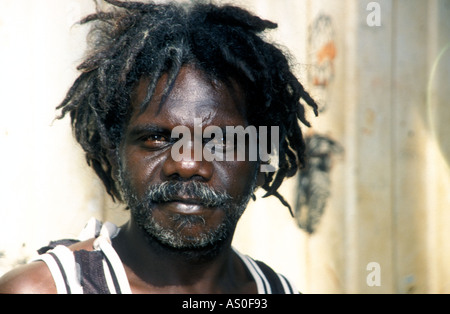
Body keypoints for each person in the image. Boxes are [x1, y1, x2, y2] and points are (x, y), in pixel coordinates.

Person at [0, 0, 318, 294]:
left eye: (222, 141)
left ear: (261, 158)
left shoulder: (276, 290)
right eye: (157, 138)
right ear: (115, 153)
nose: (187, 163)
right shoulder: (47, 289)